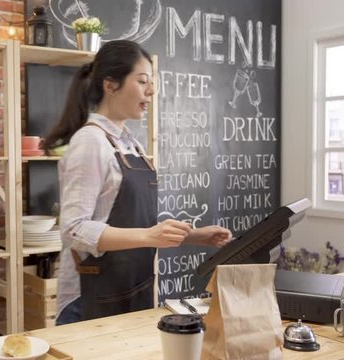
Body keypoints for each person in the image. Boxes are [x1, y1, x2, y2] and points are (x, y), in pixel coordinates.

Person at [42, 40, 232, 325]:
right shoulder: (90, 141)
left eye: (152, 82)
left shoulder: (130, 143)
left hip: (134, 289)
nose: (151, 91)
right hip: (93, 299)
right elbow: (74, 229)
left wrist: (193, 235)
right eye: (142, 81)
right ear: (111, 85)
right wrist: (148, 237)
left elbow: (136, 222)